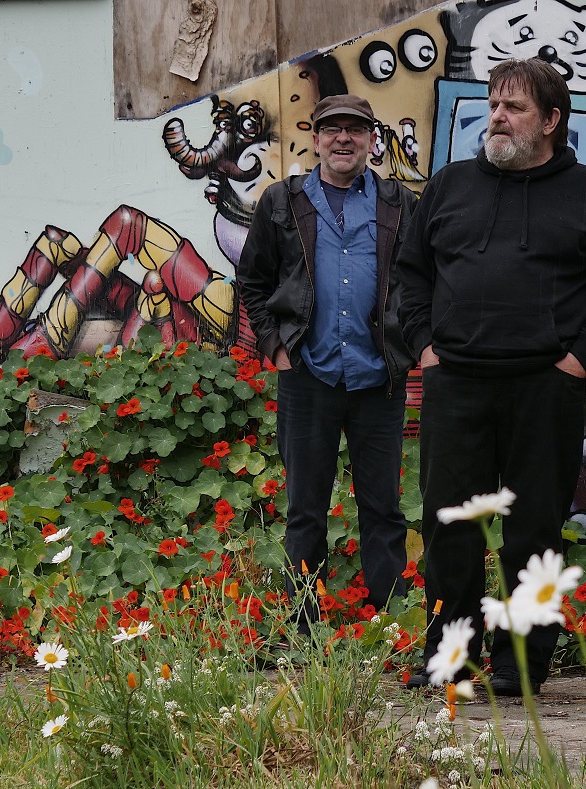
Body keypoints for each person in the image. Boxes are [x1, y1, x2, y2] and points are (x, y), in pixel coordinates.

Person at [396, 59, 586, 695]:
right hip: (457, 384)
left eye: (515, 108)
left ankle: (521, 663)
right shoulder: (449, 185)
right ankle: (452, 653)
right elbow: (411, 276)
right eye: (493, 104)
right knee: (451, 525)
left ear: (552, 121)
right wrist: (423, 344)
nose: (497, 117)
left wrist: (577, 359)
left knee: (534, 528)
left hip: (544, 386)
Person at [235, 94, 419, 630]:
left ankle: (390, 623)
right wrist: (276, 350)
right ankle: (302, 628)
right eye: (332, 130)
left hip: (377, 378)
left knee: (383, 509)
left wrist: (409, 343)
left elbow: (416, 282)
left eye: (355, 130)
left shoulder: (396, 203)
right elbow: (252, 280)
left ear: (370, 140)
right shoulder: (280, 202)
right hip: (308, 376)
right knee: (306, 510)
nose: (343, 139)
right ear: (315, 140)